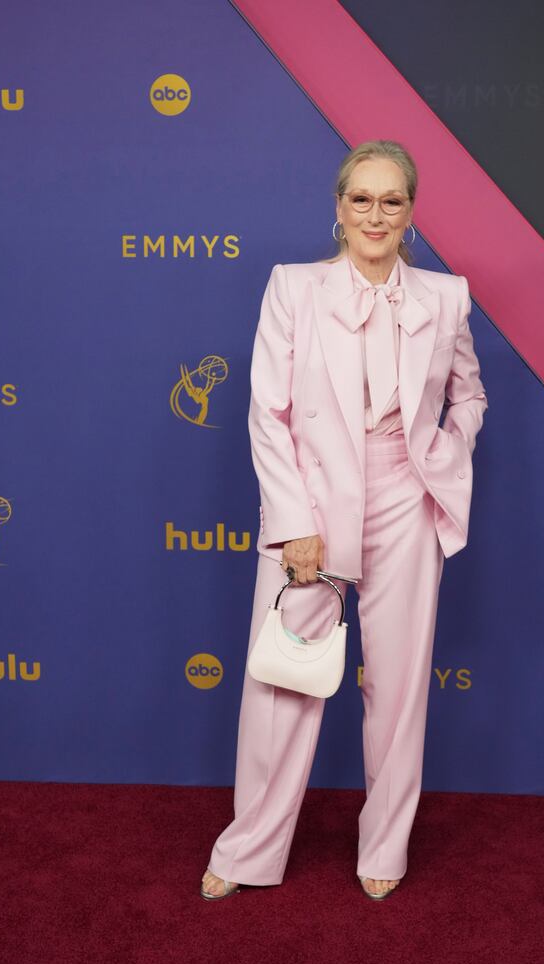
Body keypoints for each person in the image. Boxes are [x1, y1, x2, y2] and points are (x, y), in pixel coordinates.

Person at [201, 139, 488, 901]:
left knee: (396, 690)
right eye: (360, 198)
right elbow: (268, 412)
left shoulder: (444, 296)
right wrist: (294, 521)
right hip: (315, 504)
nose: (374, 213)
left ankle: (383, 848)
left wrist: (441, 451)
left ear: (410, 213)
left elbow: (470, 394)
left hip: (405, 501)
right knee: (283, 685)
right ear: (337, 207)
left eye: (390, 200)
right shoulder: (292, 288)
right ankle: (248, 849)